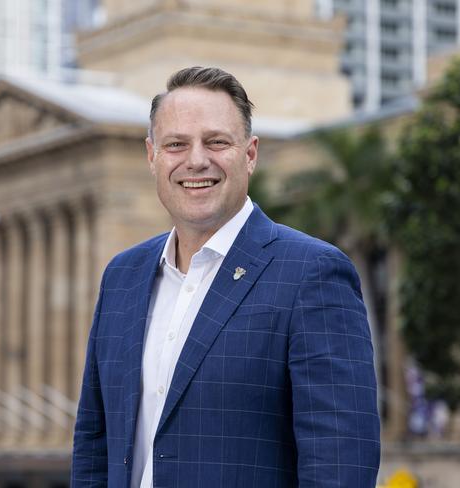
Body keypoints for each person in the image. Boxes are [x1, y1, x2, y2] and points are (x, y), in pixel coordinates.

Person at [72, 66, 380, 487]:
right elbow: (94, 443)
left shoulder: (312, 274)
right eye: (176, 144)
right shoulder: (122, 277)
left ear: (249, 154)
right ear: (152, 156)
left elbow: (340, 465)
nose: (196, 160)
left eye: (216, 142)